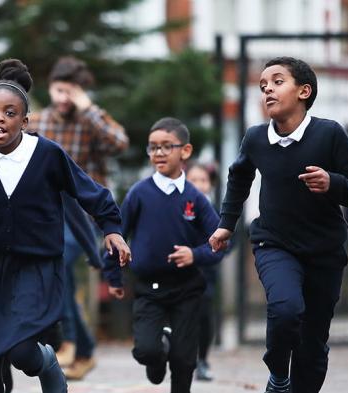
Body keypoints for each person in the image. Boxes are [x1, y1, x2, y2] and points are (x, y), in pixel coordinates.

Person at [0, 58, 131, 393]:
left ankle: (46, 362)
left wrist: (112, 229)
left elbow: (90, 193)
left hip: (38, 266)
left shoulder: (47, 154)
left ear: (26, 121)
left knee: (21, 353)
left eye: (9, 112)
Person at [209, 57, 348, 393]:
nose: (267, 90)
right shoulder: (256, 138)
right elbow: (238, 177)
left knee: (312, 344)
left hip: (325, 250)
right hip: (274, 242)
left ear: (304, 91)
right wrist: (226, 224)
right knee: (286, 309)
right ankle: (278, 375)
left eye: (277, 82)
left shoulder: (330, 134)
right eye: (263, 86)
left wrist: (332, 183)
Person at [27, 56, 129, 379]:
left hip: (83, 218)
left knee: (57, 260)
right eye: (59, 90)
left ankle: (69, 341)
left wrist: (88, 109)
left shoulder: (90, 121)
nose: (63, 98)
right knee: (56, 272)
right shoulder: (39, 122)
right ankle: (82, 347)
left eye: (71, 92)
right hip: (47, 216)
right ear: (50, 89)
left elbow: (119, 143)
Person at [104, 117, 223, 393]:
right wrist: (114, 276)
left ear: (185, 151)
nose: (158, 153)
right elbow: (115, 236)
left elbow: (218, 243)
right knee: (146, 350)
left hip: (187, 289)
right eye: (153, 147)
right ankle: (159, 353)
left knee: (184, 359)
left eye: (166, 146)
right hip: (149, 289)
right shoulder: (139, 193)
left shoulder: (196, 198)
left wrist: (195, 255)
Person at [185, 161, 219, 382]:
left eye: (203, 180)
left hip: (206, 273)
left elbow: (227, 241)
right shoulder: (180, 206)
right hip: (179, 272)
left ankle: (203, 360)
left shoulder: (214, 211)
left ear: (210, 185)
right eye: (193, 180)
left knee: (204, 317)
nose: (198, 185)